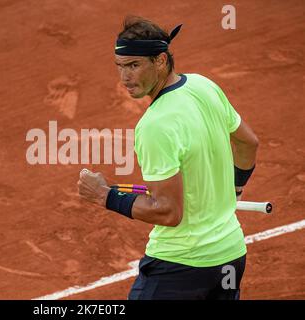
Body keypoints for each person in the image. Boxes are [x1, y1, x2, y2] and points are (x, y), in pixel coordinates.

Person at [77, 16, 259, 300]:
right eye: (120, 67)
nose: (125, 77)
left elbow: (168, 212)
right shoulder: (204, 86)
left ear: (160, 61)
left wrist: (104, 196)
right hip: (230, 255)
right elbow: (248, 143)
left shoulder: (155, 125)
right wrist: (234, 189)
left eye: (134, 65)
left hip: (180, 266)